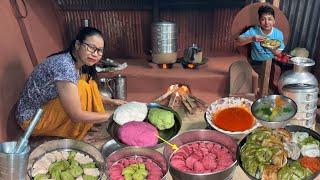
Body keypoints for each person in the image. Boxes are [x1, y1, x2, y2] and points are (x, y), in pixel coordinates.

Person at [15, 27, 126, 140]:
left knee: (87, 85)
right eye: (91, 48)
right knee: (82, 87)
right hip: (32, 120)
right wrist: (114, 115)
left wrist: (112, 101)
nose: (95, 54)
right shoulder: (64, 66)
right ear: (77, 45)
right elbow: (76, 115)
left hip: (44, 109)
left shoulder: (74, 63)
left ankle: (82, 125)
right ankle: (76, 130)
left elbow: (79, 95)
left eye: (99, 50)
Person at [235, 5, 285, 87]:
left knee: (269, 83)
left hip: (270, 62)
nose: (266, 22)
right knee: (254, 84)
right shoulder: (254, 31)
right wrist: (252, 38)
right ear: (259, 21)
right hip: (255, 62)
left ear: (274, 21)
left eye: (269, 19)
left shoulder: (278, 34)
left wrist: (269, 46)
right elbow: (238, 41)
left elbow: (278, 52)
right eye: (263, 19)